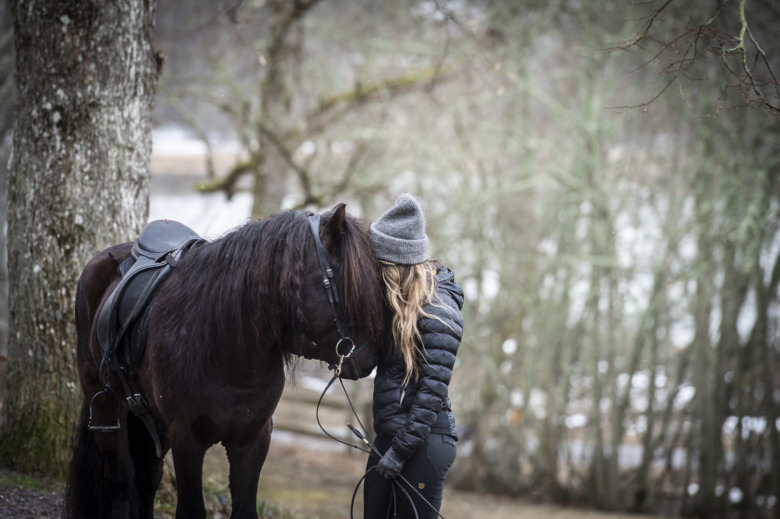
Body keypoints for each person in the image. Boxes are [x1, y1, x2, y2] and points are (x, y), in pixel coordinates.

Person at [364, 194, 464, 519]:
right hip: (390, 436)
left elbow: (432, 392)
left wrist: (400, 452)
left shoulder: (440, 312)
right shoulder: (397, 307)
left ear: (398, 265)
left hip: (425, 442)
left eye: (380, 266)